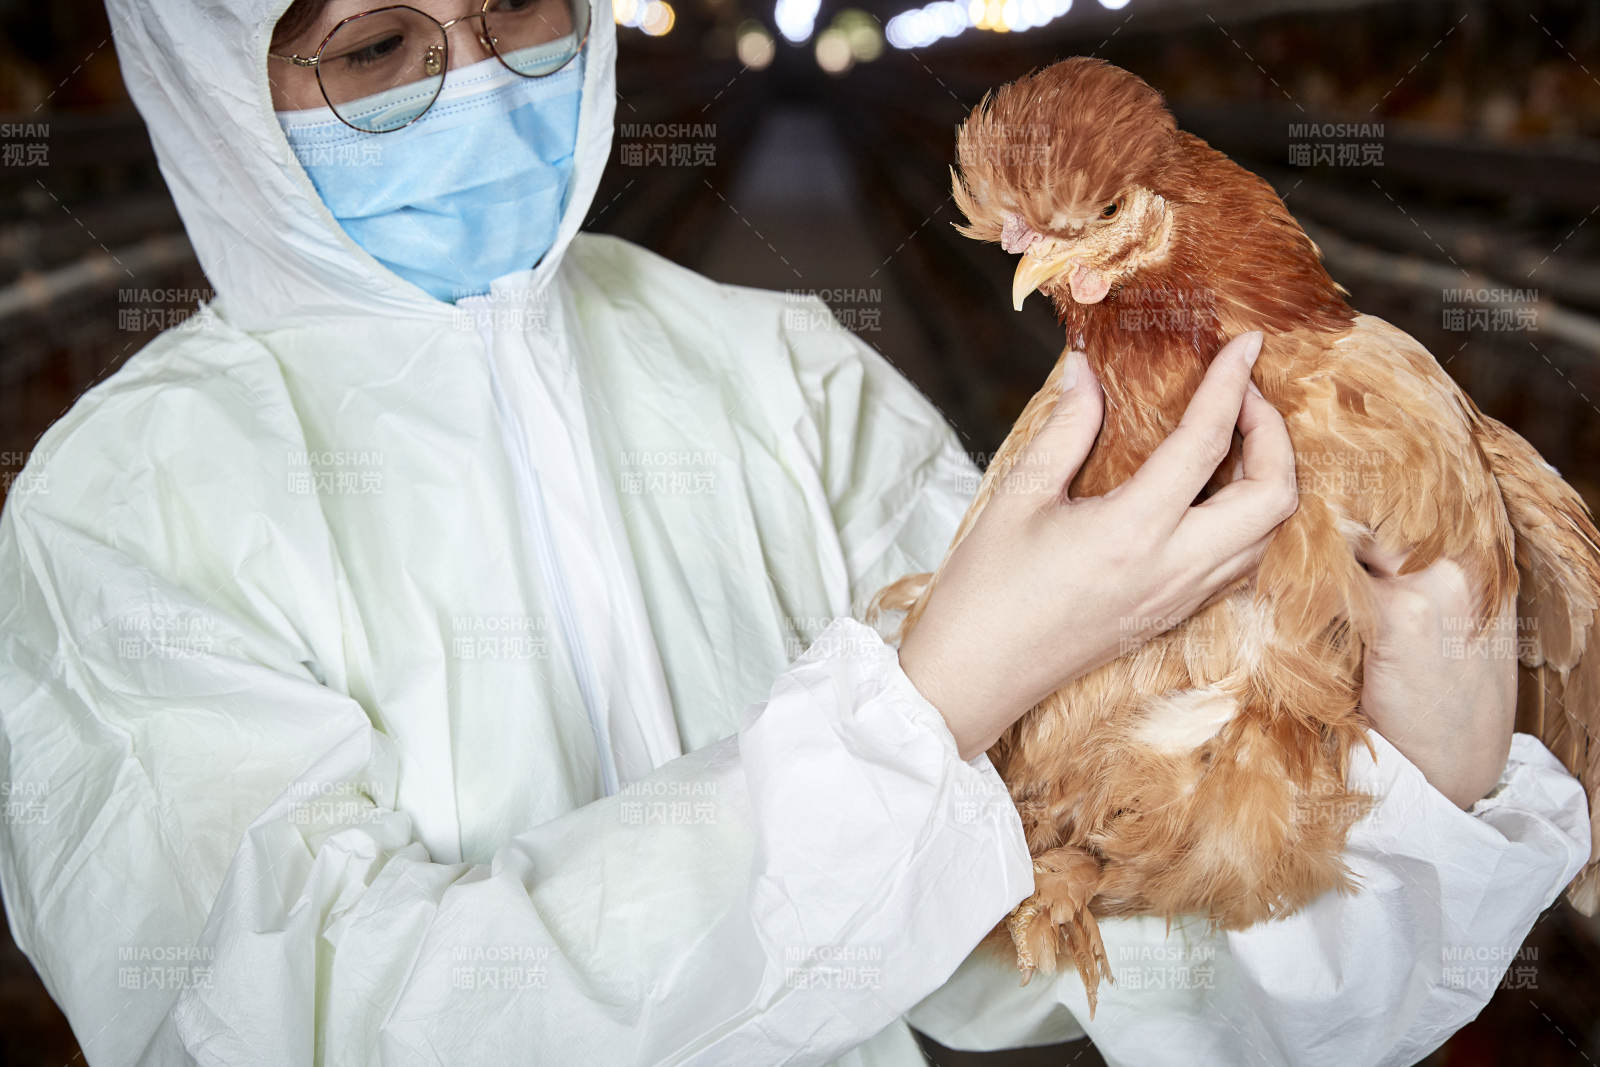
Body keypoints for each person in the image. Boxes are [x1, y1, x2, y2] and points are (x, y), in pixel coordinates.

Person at [0, 0, 1586, 1063]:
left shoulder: (783, 377)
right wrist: (930, 707)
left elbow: (1127, 951)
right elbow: (285, 1023)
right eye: (374, 47)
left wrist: (1432, 786)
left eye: (522, 6)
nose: (480, 76)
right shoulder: (121, 516)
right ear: (215, 91)